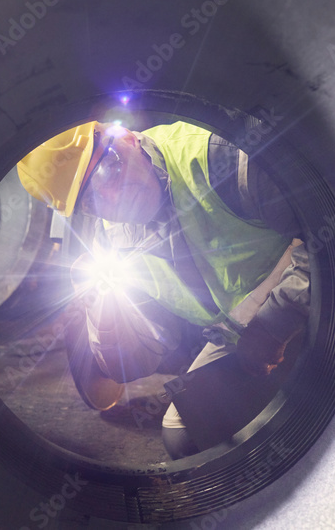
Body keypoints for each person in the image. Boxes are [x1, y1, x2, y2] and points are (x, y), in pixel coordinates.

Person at [16, 119, 311, 458]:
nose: (113, 198)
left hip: (318, 293)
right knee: (186, 439)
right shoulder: (113, 240)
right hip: (244, 335)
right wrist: (104, 319)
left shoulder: (218, 157)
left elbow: (330, 234)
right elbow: (144, 356)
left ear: (126, 137)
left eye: (108, 170)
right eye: (91, 201)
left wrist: (275, 325)